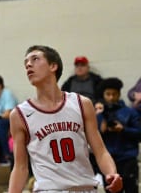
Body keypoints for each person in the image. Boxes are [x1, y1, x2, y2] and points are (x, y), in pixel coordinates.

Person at [7, 45, 123, 193]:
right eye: (26, 63)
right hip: (49, 190)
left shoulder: (82, 104)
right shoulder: (19, 114)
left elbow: (100, 151)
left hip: (85, 188)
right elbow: (20, 167)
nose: (28, 65)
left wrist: (112, 173)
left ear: (53, 66)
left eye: (35, 59)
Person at [96, 77, 141, 193]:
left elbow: (139, 133)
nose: (111, 97)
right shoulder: (99, 114)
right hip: (108, 161)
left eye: (114, 94)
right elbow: (93, 138)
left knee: (131, 190)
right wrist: (102, 124)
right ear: (103, 95)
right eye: (108, 94)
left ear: (119, 94)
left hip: (127, 159)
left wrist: (123, 129)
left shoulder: (130, 113)